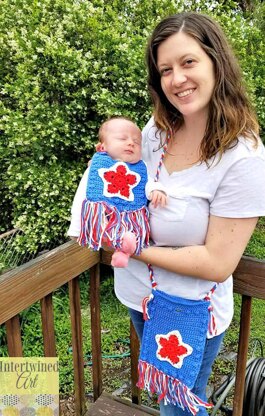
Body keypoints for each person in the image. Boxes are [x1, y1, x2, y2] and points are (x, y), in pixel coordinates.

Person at [68, 12, 265, 415]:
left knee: (179, 404)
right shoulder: (157, 131)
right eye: (165, 70)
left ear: (216, 62)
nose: (177, 79)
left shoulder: (244, 158)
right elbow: (118, 178)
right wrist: (94, 212)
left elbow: (217, 263)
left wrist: (129, 246)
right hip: (140, 296)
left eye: (188, 62)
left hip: (191, 310)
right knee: (163, 396)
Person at [68, 116, 167, 268]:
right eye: (122, 138)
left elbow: (149, 183)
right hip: (104, 217)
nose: (130, 143)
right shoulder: (96, 168)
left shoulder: (141, 169)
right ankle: (118, 246)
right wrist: (76, 228)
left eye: (137, 142)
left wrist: (156, 189)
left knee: (129, 236)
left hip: (128, 218)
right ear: (102, 148)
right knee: (103, 228)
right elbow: (82, 197)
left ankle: (123, 252)